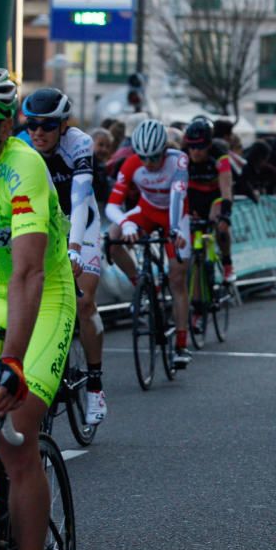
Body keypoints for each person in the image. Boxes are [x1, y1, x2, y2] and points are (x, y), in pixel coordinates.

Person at [0, 64, 77, 550]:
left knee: (14, 431)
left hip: (42, 299)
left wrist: (11, 363)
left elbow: (27, 274)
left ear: (1, 126)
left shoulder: (24, 168)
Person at [21, 88, 109, 426]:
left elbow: (81, 195)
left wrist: (73, 248)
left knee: (85, 304)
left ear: (63, 125)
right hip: (42, 223)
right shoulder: (21, 144)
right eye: (32, 125)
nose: (38, 132)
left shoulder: (79, 143)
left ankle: (96, 384)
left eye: (47, 125)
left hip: (80, 222)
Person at [105, 119, 193, 368]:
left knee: (177, 277)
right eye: (143, 157)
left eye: (154, 157)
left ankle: (181, 343)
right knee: (113, 237)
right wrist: (128, 223)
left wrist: (175, 230)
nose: (149, 163)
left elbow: (177, 197)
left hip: (175, 215)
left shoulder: (179, 160)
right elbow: (113, 205)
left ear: (164, 150)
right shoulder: (132, 163)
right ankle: (143, 288)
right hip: (147, 210)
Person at [182, 118, 236, 283]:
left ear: (209, 144)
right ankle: (198, 304)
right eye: (192, 146)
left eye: (200, 147)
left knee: (220, 226)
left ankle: (227, 263)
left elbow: (226, 188)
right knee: (196, 248)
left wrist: (225, 215)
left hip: (215, 197)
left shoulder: (219, 155)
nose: (195, 152)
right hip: (193, 197)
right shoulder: (183, 155)